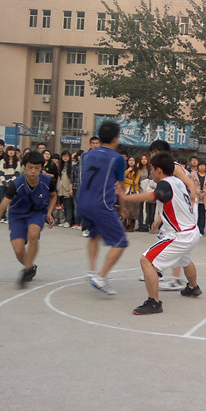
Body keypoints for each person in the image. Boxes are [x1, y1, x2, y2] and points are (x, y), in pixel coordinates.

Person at [121, 152, 202, 315]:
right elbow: (173, 202)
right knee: (185, 259)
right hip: (192, 231)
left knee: (146, 260)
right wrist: (160, 218)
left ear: (159, 170)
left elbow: (153, 196)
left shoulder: (164, 184)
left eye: (152, 169)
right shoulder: (178, 182)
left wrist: (126, 198)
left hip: (180, 235)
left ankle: (154, 303)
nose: (151, 172)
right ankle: (193, 288)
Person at [0, 151, 57, 288]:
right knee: (18, 250)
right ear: (24, 167)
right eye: (30, 167)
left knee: (33, 234)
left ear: (41, 168)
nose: (33, 171)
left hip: (37, 212)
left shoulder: (47, 181)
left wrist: (49, 212)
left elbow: (53, 196)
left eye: (37, 168)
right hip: (17, 215)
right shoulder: (16, 184)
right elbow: (1, 208)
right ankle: (30, 267)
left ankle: (26, 272)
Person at [78, 120, 128, 295]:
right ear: (115, 138)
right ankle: (101, 277)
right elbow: (120, 187)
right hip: (101, 204)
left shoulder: (87, 155)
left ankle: (92, 271)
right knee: (121, 242)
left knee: (94, 235)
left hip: (83, 202)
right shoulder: (117, 158)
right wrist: (122, 207)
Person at [0, 146, 22, 223]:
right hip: (2, 184)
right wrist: (4, 182)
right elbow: (1, 172)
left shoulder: (17, 162)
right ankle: (3, 217)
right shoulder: (2, 161)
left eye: (12, 150)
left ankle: (10, 217)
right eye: (9, 150)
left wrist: (10, 182)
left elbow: (17, 173)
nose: (11, 152)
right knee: (2, 201)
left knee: (11, 201)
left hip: (12, 184)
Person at [192, 161, 206, 236]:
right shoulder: (193, 174)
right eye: (200, 166)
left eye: (203, 166)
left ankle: (201, 230)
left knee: (202, 214)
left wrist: (203, 192)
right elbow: (192, 185)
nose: (202, 167)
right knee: (195, 214)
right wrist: (199, 192)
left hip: (204, 197)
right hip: (196, 196)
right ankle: (195, 230)